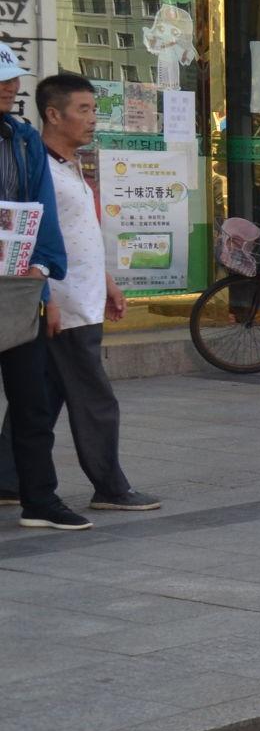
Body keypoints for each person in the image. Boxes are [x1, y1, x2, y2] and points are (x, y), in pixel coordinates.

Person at [0, 75, 157, 516]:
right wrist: (44, 295)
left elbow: (79, 235)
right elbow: (39, 242)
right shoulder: (38, 169)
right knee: (94, 398)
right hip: (62, 304)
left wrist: (106, 280)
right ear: (53, 114)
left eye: (94, 110)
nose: (93, 120)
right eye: (83, 110)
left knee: (41, 397)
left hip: (81, 297)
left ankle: (7, 477)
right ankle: (109, 485)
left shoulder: (69, 164)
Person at [0, 46, 78, 531]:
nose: (13, 87)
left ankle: (40, 500)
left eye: (13, 79)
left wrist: (44, 276)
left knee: (31, 400)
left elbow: (41, 215)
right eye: (4, 80)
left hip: (16, 288)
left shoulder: (23, 140)